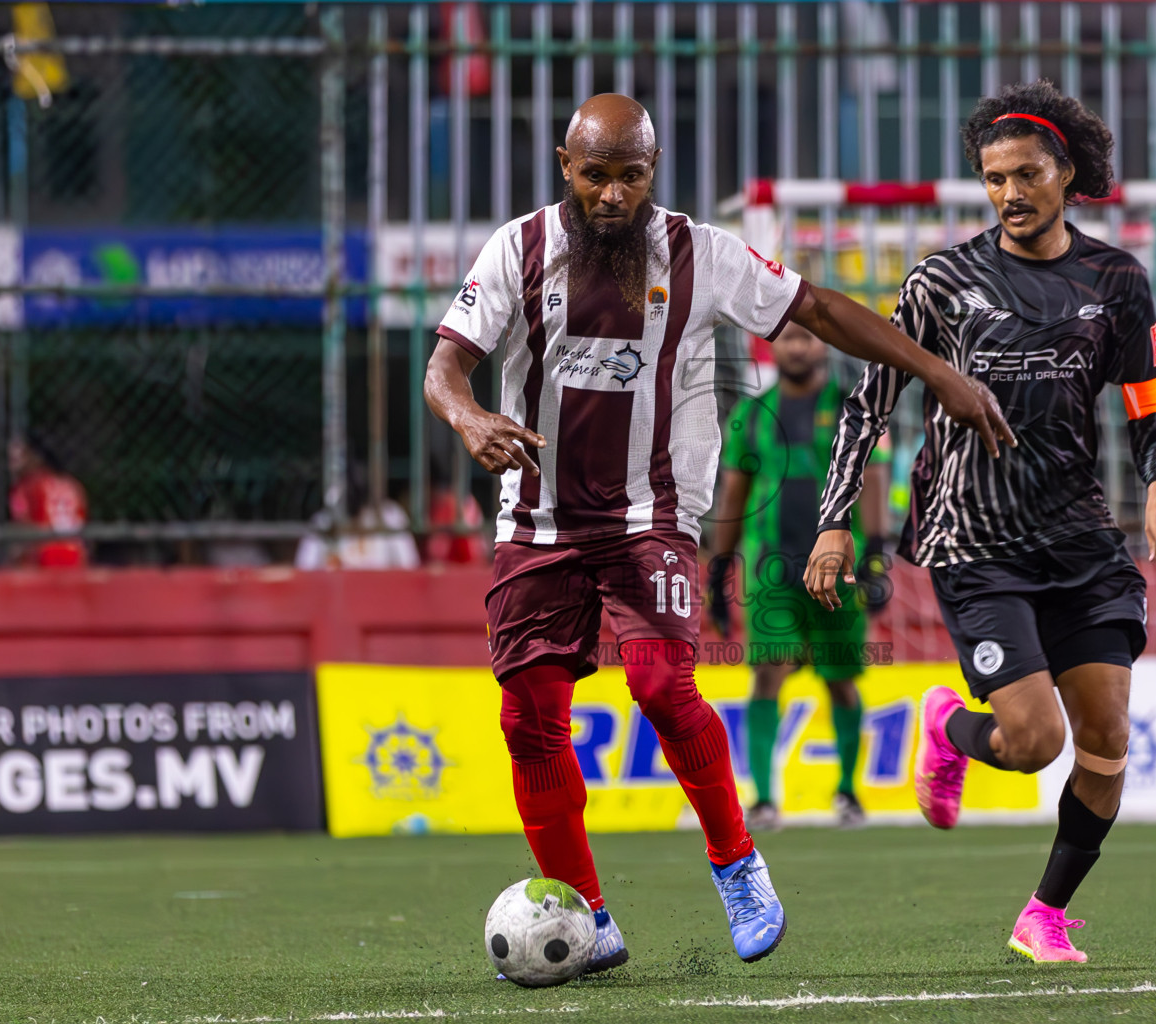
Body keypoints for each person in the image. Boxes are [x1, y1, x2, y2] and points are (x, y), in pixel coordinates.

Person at [424, 93, 1012, 973]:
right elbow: (445, 365)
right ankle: (589, 918)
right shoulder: (520, 246)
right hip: (536, 523)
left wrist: (936, 371)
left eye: (631, 175)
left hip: (650, 517)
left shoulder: (702, 254)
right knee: (529, 721)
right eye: (596, 175)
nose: (613, 195)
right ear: (565, 167)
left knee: (662, 687)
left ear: (652, 171)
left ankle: (739, 865)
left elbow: (818, 310)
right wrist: (466, 414)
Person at [805, 80, 1156, 964]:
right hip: (972, 540)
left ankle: (1044, 913)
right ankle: (948, 724)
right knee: (1033, 742)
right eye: (993, 179)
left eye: (1027, 175)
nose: (1010, 194)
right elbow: (867, 407)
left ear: (1066, 173)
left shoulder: (1116, 281)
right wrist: (836, 523)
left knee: (1105, 738)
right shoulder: (941, 282)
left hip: (1079, 537)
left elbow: (1148, 409)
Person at [708, 321, 892, 831]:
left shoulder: (855, 410)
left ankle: (848, 793)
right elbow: (734, 496)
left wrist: (876, 553)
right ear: (773, 346)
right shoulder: (751, 414)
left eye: (806, 337)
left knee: (840, 681)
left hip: (839, 566)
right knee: (769, 672)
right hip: (771, 567)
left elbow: (873, 479)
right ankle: (764, 800)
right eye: (787, 338)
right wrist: (718, 573)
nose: (796, 346)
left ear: (823, 344)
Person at [7, 435, 87, 568]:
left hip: (44, 553)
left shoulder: (26, 486)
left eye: (19, 458)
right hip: (74, 551)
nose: (13, 465)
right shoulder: (71, 485)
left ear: (35, 457)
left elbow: (23, 529)